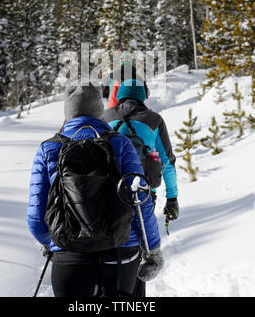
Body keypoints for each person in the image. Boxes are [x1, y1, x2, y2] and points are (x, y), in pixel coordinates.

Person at [27, 81, 163, 297]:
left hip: (69, 253)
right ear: (99, 111)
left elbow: (36, 215)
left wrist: (47, 241)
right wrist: (152, 249)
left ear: (68, 111)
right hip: (120, 252)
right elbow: (139, 199)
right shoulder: (120, 143)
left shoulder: (49, 148)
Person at [102, 79, 179, 296]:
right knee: (137, 253)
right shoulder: (154, 120)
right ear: (143, 95)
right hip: (142, 197)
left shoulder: (104, 118)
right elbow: (168, 162)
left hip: (106, 198)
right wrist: (172, 198)